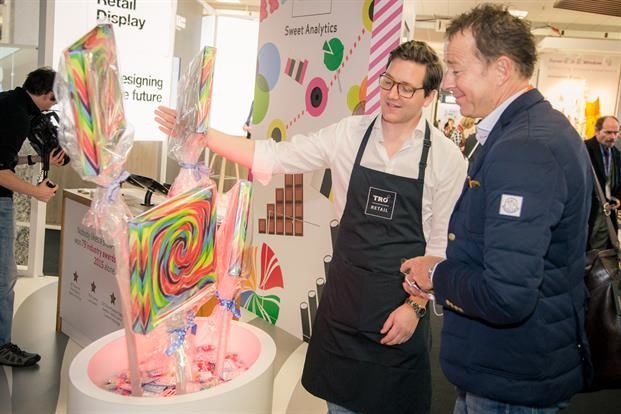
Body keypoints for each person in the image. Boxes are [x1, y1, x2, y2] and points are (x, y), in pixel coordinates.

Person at [156, 40, 467, 414]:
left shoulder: (446, 159)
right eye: (388, 82)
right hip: (344, 305)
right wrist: (204, 135)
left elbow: (439, 249)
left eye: (406, 88)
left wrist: (414, 308)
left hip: (397, 313)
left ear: (429, 96)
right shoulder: (349, 135)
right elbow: (274, 155)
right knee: (338, 408)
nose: (393, 95)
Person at [401, 4, 592, 413]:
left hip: (509, 381)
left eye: (456, 69)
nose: (448, 82)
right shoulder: (534, 131)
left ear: (501, 69)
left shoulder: (524, 148)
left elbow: (507, 295)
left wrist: (435, 274)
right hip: (514, 369)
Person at [0, 67, 65, 367]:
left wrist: (40, 159)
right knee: (4, 278)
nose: (53, 105)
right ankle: (2, 347)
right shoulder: (16, 114)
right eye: (53, 99)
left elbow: (7, 157)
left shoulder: (11, 103)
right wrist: (35, 192)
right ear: (45, 93)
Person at [585, 115, 621, 250]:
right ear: (597, 131)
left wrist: (618, 199)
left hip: (608, 214)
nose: (612, 137)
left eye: (616, 133)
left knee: (602, 254)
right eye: (608, 132)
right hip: (588, 211)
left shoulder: (617, 154)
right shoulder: (584, 150)